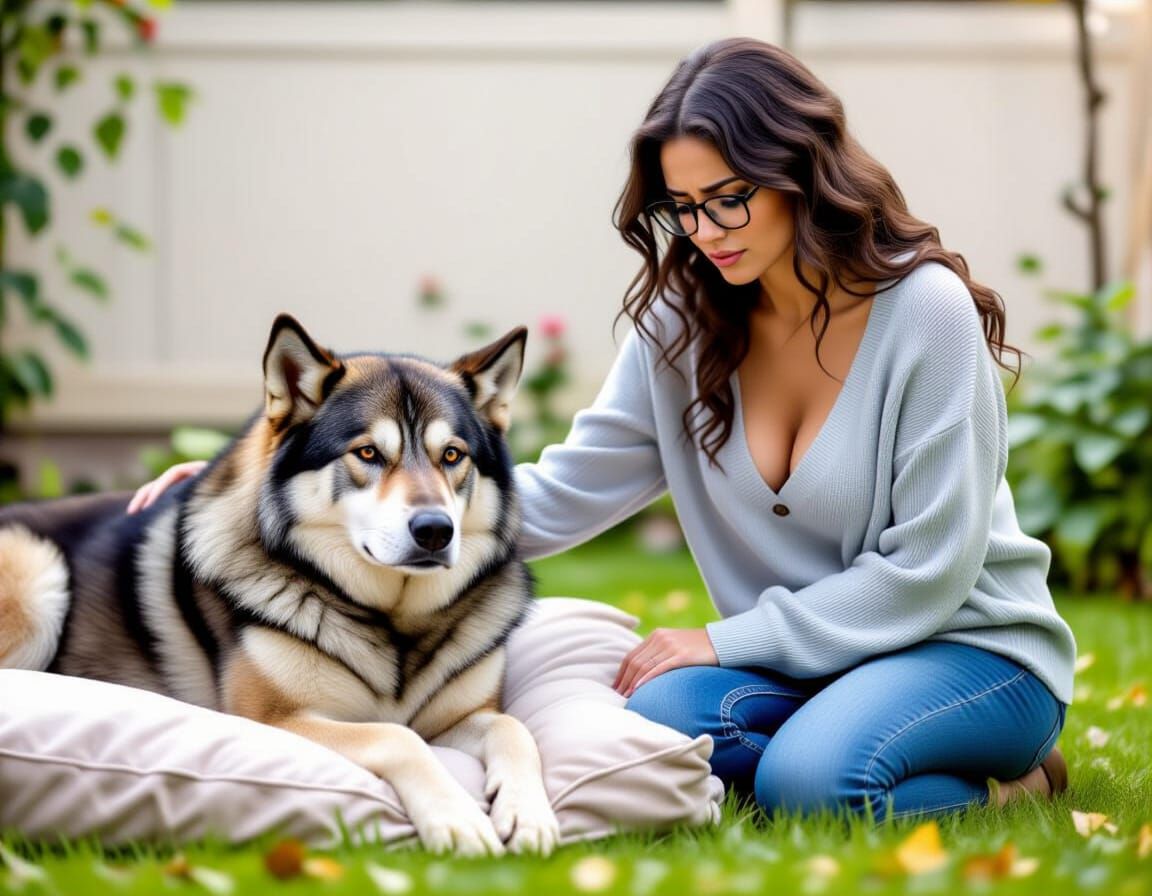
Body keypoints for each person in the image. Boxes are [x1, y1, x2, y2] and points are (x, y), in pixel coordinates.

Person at [130, 37, 1075, 821]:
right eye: (684, 208)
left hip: (965, 650)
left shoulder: (926, 314)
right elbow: (549, 497)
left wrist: (724, 641)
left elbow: (932, 572)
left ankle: (1014, 784)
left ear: (801, 169)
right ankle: (866, 750)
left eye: (731, 198)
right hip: (813, 669)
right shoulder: (685, 325)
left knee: (808, 784)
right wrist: (250, 496)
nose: (707, 232)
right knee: (662, 724)